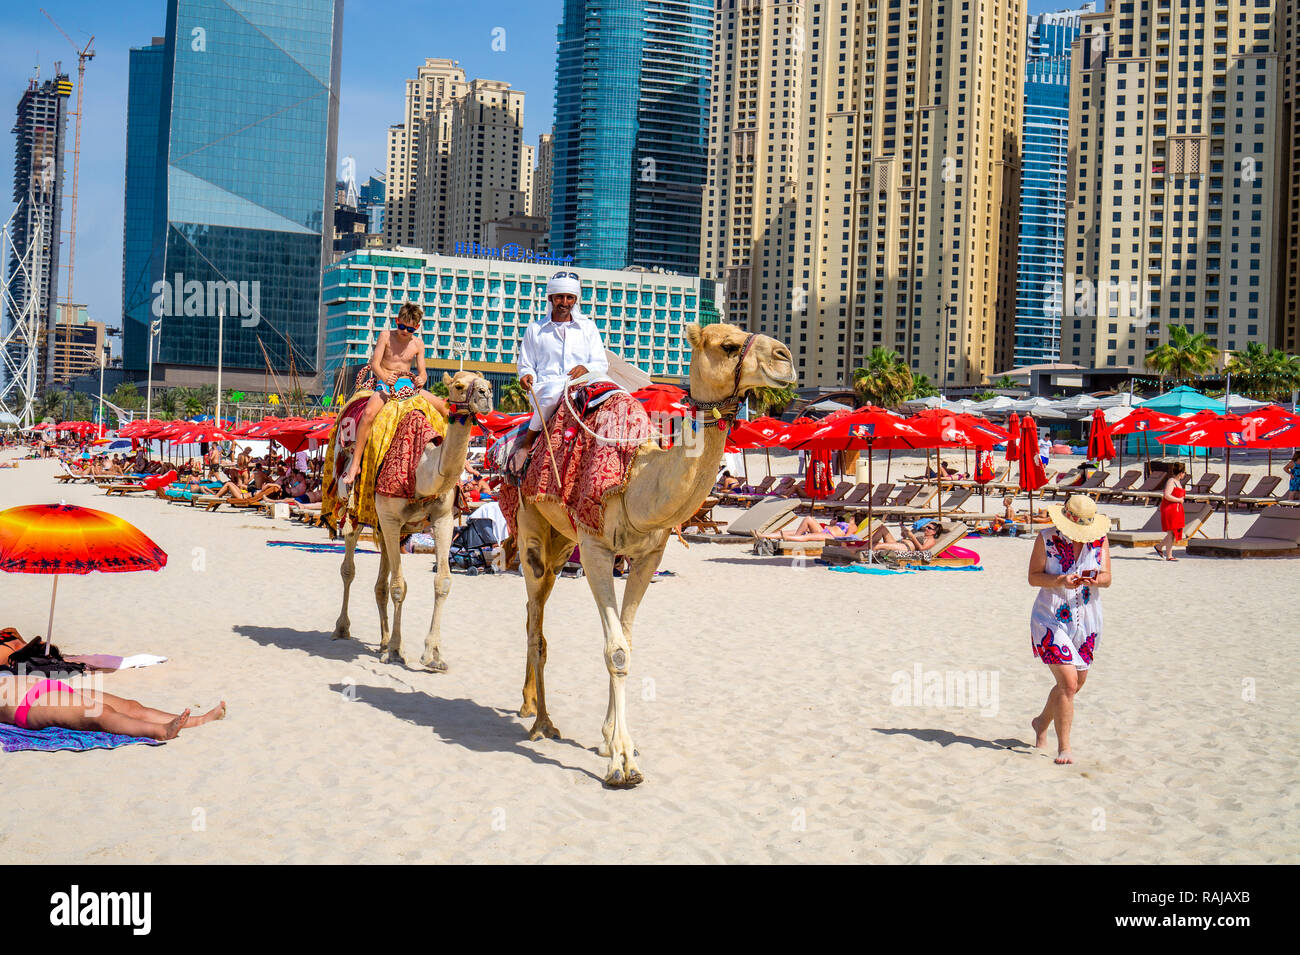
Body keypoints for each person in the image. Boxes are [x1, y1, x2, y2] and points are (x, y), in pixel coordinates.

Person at [1027, 493, 1112, 765]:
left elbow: (1108, 577)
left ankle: (1041, 723)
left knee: (1076, 684)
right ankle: (1065, 748)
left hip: (1086, 620)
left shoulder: (1099, 540)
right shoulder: (1046, 538)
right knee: (1068, 682)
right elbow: (1033, 577)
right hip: (1050, 617)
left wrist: (1095, 580)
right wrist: (1060, 579)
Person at [340, 302, 450, 487]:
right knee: (368, 414)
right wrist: (384, 377)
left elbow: (422, 372)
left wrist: (421, 379)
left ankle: (454, 459)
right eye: (401, 326)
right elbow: (375, 364)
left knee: (444, 407)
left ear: (417, 327)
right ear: (396, 321)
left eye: (409, 328)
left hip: (407, 384)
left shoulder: (418, 344)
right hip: (385, 381)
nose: (404, 331)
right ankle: (355, 464)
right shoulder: (385, 336)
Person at [510, 270, 609, 474]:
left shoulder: (588, 328)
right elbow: (526, 365)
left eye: (569, 297)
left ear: (575, 299)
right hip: (547, 387)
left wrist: (586, 368)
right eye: (560, 297)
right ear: (551, 298)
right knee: (550, 395)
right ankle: (528, 443)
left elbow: (601, 363)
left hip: (582, 385)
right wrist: (526, 376)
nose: (564, 302)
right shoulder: (535, 329)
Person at [0, 675, 226, 740]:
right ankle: (161, 731)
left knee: (132, 706)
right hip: (31, 705)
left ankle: (199, 720)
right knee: (102, 714)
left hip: (52, 687)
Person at [1157, 462, 1188, 561]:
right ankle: (1169, 556)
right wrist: (1179, 500)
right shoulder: (1171, 481)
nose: (1184, 474)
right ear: (1180, 473)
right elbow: (1167, 495)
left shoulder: (1178, 482)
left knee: (1174, 533)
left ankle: (1159, 547)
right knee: (1171, 533)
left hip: (1176, 509)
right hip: (1170, 509)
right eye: (1184, 472)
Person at [759, 515, 859, 542]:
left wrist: (851, 523)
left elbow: (847, 537)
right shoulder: (845, 523)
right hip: (824, 531)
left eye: (852, 516)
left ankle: (792, 539)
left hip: (830, 536)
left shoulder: (853, 526)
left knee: (808, 536)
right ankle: (763, 535)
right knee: (808, 518)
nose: (850, 517)